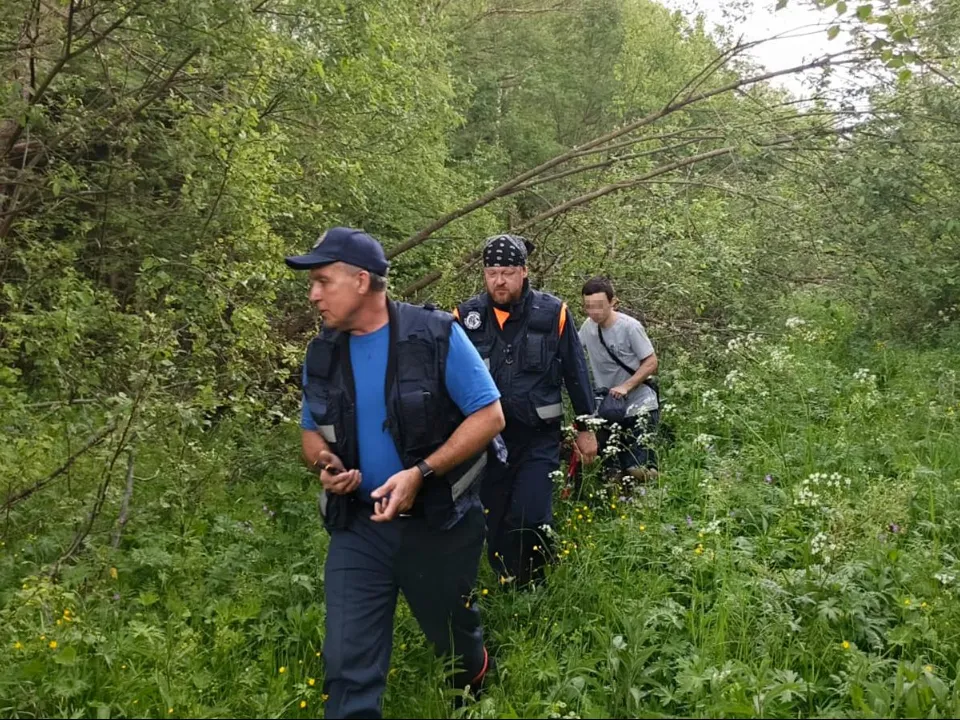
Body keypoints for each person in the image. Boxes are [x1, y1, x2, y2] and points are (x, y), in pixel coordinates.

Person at [286, 227, 506, 719]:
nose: (313, 294)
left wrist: (420, 473)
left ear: (361, 280)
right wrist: (326, 463)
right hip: (359, 526)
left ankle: (473, 674)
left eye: (323, 281)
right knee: (347, 663)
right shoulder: (322, 354)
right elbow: (310, 436)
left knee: (453, 636)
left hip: (437, 523)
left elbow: (490, 416)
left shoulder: (433, 336)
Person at [454, 233, 597, 589]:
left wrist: (586, 428)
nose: (498, 280)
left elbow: (576, 374)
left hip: (538, 437)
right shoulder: (466, 317)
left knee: (531, 515)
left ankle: (534, 582)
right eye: (491, 273)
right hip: (487, 440)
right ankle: (509, 582)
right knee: (495, 517)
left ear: (523, 271)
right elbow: (447, 379)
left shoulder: (553, 313)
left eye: (506, 271)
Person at [579, 276, 660, 481]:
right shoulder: (587, 328)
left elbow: (651, 362)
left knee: (638, 469)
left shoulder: (629, 327)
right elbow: (573, 355)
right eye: (588, 306)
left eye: (599, 306)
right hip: (609, 407)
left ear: (613, 302)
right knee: (611, 472)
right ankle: (621, 507)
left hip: (640, 404)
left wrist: (626, 386)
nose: (593, 312)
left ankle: (651, 502)